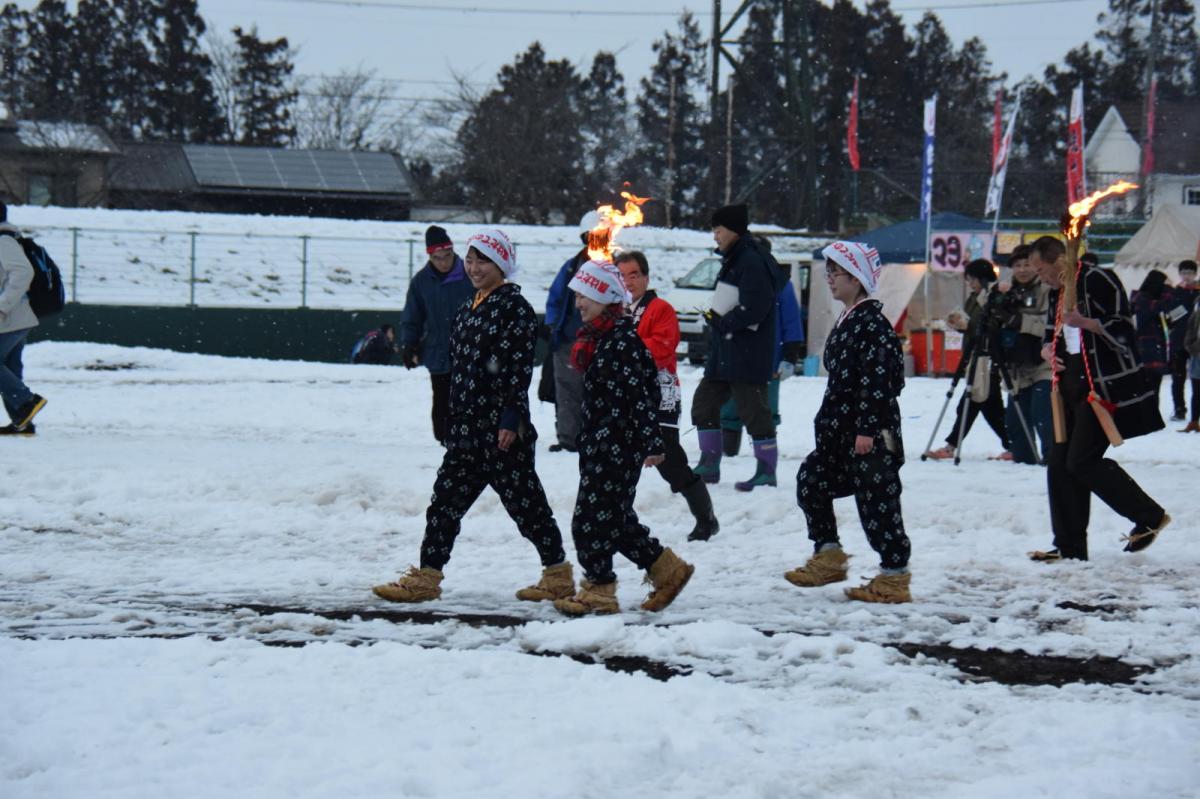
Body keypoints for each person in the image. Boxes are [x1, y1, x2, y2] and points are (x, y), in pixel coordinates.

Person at [374, 229, 576, 604]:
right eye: (470, 259)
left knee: (526, 506)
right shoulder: (471, 305)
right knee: (444, 503)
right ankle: (427, 576)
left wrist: (510, 418)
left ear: (501, 264)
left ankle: (558, 574)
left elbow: (517, 369)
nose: (473, 267)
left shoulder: (512, 307)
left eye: (482, 260)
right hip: (466, 429)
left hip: (501, 431)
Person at [553, 258, 694, 616]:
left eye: (585, 295)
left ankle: (600, 589)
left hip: (619, 447)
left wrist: (650, 442)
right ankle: (667, 569)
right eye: (577, 296)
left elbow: (641, 396)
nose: (579, 303)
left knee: (589, 520)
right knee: (613, 519)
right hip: (601, 444)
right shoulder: (599, 339)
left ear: (604, 295)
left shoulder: (621, 342)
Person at [1026, 235, 1171, 561]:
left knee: (1082, 460)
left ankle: (1149, 515)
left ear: (1058, 261)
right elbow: (1051, 334)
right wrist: (1047, 349)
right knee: (1060, 464)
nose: (1040, 276)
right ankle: (1068, 546)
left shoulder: (1097, 278)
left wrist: (1090, 323)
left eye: (1041, 268)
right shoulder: (1055, 293)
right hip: (1069, 385)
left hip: (1102, 386)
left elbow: (1124, 328)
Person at [785, 241, 911, 603]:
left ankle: (894, 577)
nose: (829, 279)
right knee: (812, 480)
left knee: (878, 505)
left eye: (835, 273)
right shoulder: (849, 320)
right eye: (828, 272)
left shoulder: (873, 325)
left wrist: (866, 429)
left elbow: (883, 381)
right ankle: (829, 556)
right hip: (839, 435)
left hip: (868, 436)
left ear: (856, 278)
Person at [615, 250, 719, 542]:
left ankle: (705, 516)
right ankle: (617, 517)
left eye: (633, 275)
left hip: (660, 393)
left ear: (646, 277)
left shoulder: (660, 308)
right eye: (621, 276)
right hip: (627, 394)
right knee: (622, 456)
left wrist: (625, 347)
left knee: (669, 460)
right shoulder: (617, 310)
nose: (628, 282)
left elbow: (662, 347)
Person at [691, 203, 786, 491]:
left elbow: (755, 308)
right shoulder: (735, 259)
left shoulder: (751, 261)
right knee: (703, 405)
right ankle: (709, 464)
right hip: (725, 353)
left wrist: (722, 322)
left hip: (746, 353)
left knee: (754, 412)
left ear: (732, 230)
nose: (715, 236)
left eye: (717, 230)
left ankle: (766, 470)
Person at [925, 259, 1013, 460]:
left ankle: (951, 446)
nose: (969, 283)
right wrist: (960, 324)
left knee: (972, 402)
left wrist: (968, 325)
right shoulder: (974, 297)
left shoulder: (993, 296)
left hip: (988, 355)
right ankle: (1013, 444)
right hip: (975, 354)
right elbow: (973, 323)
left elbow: (990, 323)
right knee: (990, 407)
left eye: (972, 279)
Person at [399, 225, 475, 445]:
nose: (443, 262)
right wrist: (409, 345)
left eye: (447, 255)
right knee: (441, 399)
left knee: (468, 398)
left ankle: (469, 437)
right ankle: (445, 439)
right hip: (438, 352)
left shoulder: (470, 275)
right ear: (430, 256)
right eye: (437, 257)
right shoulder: (421, 282)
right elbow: (412, 315)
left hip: (470, 351)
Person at [719, 272, 805, 457]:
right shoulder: (734, 278)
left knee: (765, 409)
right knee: (730, 408)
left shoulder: (780, 283)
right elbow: (720, 315)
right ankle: (728, 453)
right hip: (738, 355)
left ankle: (765, 458)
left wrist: (790, 354)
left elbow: (791, 320)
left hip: (768, 361)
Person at [992, 244, 1053, 464]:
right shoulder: (1005, 291)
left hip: (1042, 363)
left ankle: (1052, 459)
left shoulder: (1046, 290)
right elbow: (986, 310)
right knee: (1016, 421)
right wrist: (995, 298)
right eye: (1017, 265)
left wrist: (1019, 321)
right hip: (1016, 367)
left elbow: (1050, 324)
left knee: (1042, 412)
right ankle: (1024, 460)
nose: (1023, 269)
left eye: (1027, 264)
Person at [543, 213, 595, 452]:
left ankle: (593, 435)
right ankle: (568, 439)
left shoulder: (616, 267)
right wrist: (554, 326)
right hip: (568, 341)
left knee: (596, 391)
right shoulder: (571, 267)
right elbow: (555, 299)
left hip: (599, 341)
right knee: (566, 392)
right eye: (591, 237)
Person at [0, 202, 46, 436]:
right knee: (10, 369)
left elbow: (23, 272)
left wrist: (3, 305)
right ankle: (23, 420)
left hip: (8, 318)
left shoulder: (3, 240)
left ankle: (26, 401)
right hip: (16, 319)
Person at [1130, 269, 1177, 404]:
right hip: (1146, 352)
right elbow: (1163, 303)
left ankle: (1152, 419)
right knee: (1148, 391)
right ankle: (1148, 421)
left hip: (1154, 352)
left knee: (1153, 391)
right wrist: (1169, 288)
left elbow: (1170, 316)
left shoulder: (1149, 301)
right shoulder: (1142, 299)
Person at [1167, 260, 1198, 421]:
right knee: (1178, 377)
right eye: (1184, 272)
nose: (1187, 276)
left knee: (1197, 378)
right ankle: (1179, 409)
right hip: (1179, 340)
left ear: (1195, 274)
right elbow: (1170, 316)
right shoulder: (1174, 292)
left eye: (1190, 273)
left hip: (1196, 342)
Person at [1182, 294, 1200, 432]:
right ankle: (1194, 421)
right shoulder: (1197, 304)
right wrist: (1191, 346)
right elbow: (1191, 328)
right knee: (1196, 390)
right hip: (1198, 354)